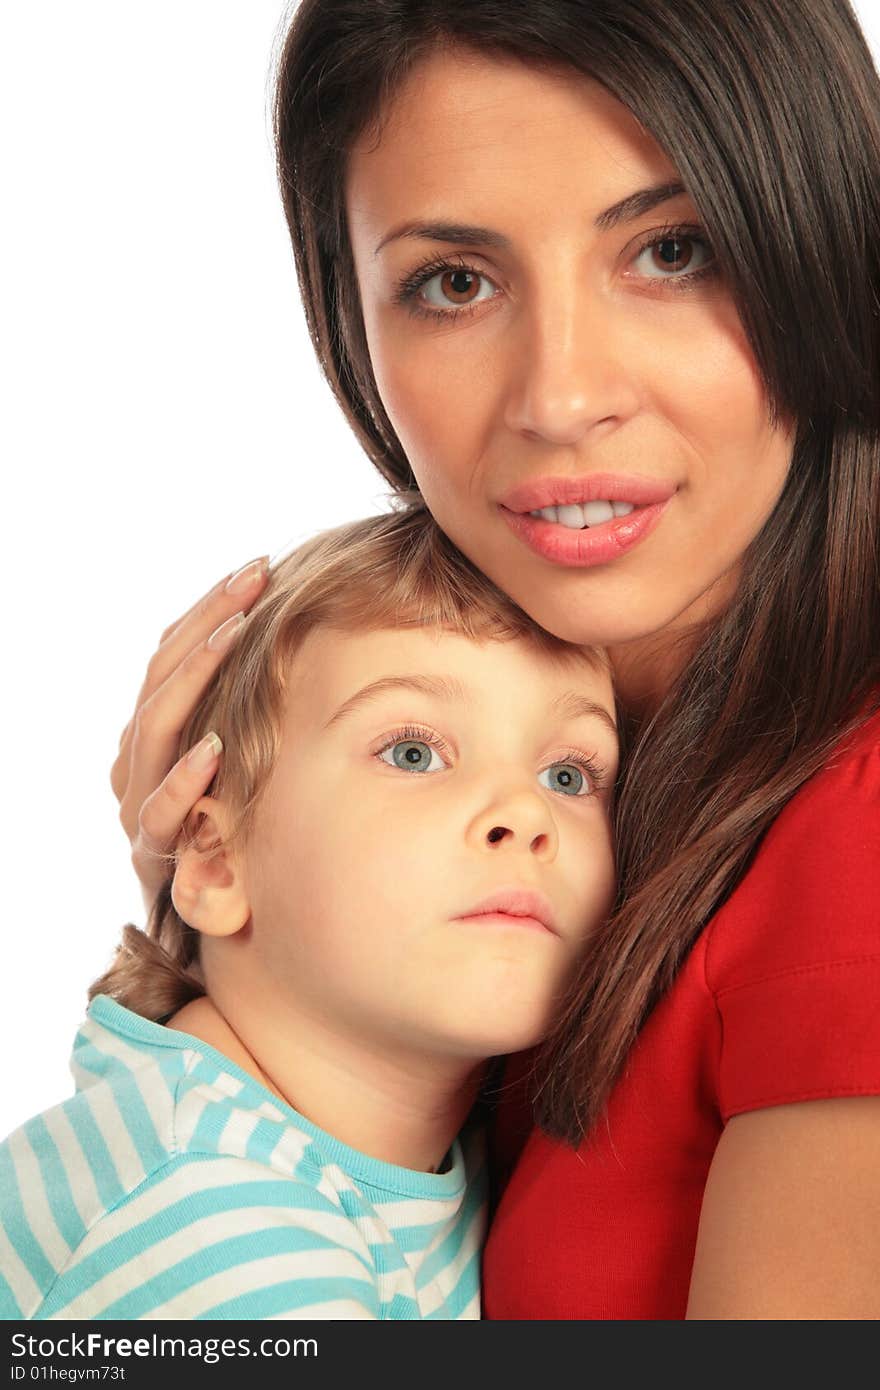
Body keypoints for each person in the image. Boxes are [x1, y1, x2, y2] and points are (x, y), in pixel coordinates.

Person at [110, 0, 880, 1318]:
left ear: (825, 249)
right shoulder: (564, 804)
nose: (561, 395)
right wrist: (262, 924)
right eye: (455, 282)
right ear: (353, 324)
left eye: (673, 250)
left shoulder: (853, 836)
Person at [0, 506, 618, 1320]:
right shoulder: (211, 1218)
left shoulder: (386, 1150)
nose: (525, 815)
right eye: (413, 752)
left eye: (569, 776)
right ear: (216, 862)